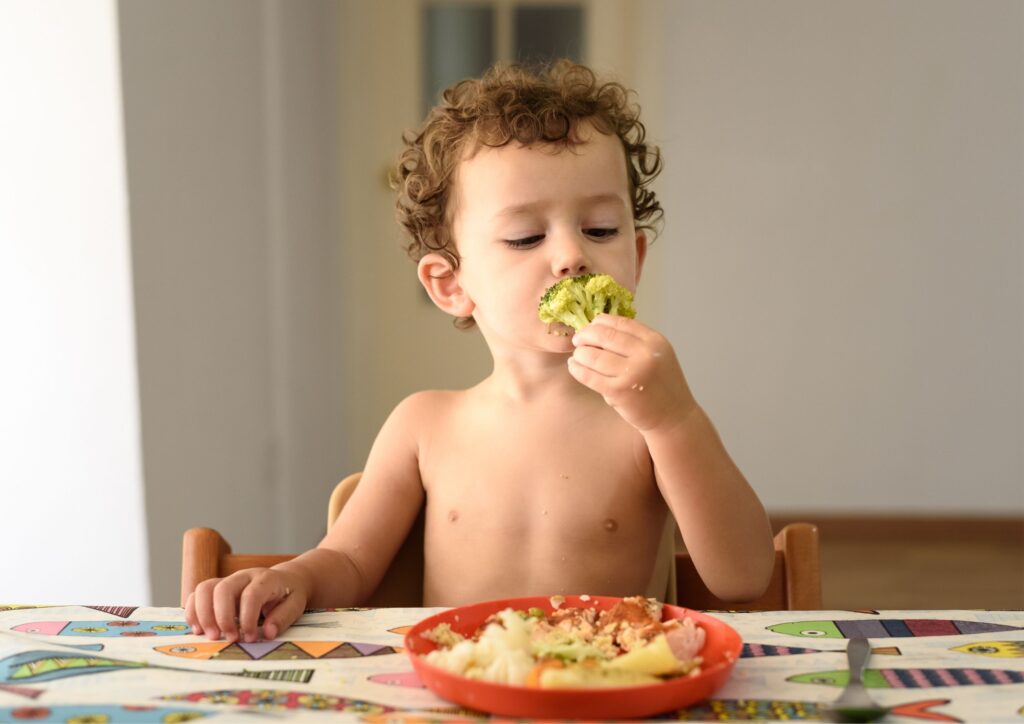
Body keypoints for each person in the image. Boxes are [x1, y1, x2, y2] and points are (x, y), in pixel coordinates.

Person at [186, 60, 775, 643]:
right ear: (451, 285)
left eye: (600, 228)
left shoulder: (650, 423)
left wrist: (675, 421)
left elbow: (743, 578)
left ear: (637, 259)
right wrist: (294, 579)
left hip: (603, 695)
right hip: (459, 691)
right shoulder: (425, 424)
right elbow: (349, 563)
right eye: (525, 236)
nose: (571, 254)